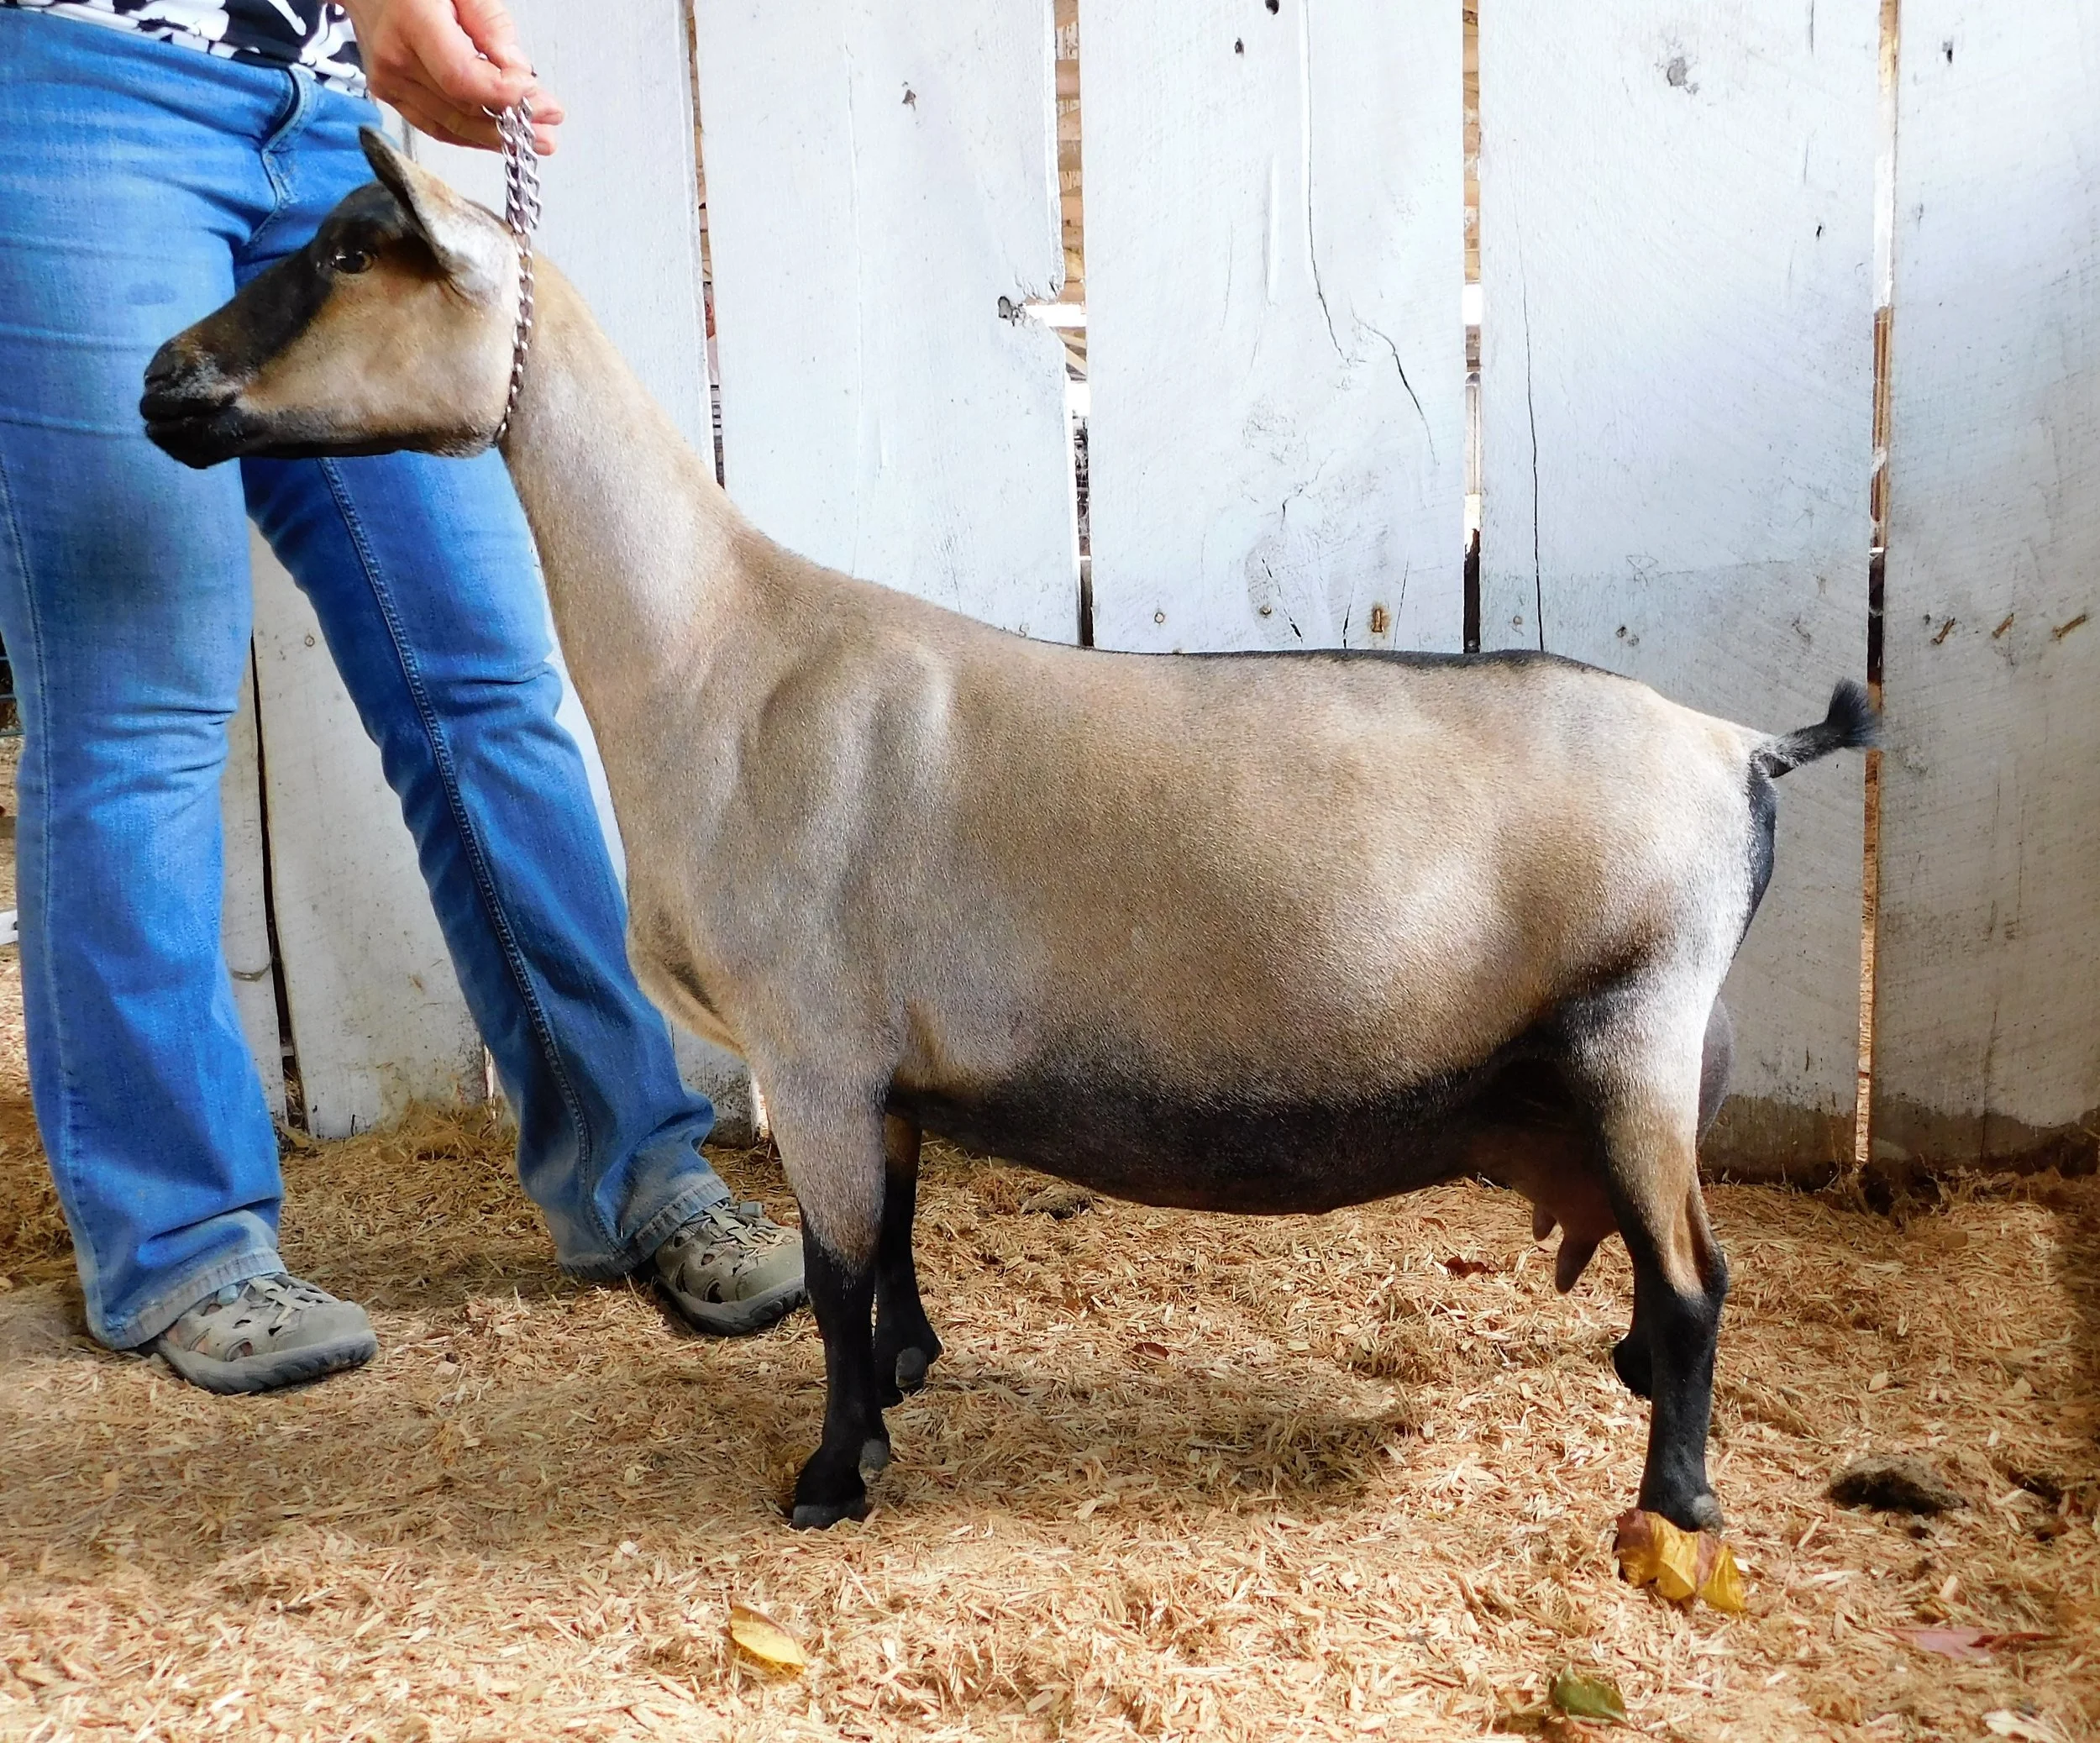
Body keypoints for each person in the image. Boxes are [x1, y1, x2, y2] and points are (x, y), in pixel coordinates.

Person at [0, 0, 804, 1394]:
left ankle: (636, 1165)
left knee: (482, 672)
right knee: (143, 700)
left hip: (319, 125)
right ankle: (182, 1238)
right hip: (81, 98)